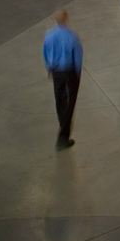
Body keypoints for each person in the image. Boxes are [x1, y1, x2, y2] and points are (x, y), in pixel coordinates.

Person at [42, 9, 83, 149]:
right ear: (66, 19)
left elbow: (45, 53)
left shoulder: (49, 35)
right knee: (70, 101)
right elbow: (78, 55)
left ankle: (62, 123)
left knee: (60, 99)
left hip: (56, 71)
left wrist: (49, 68)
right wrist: (77, 72)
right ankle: (63, 137)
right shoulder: (72, 36)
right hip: (69, 71)